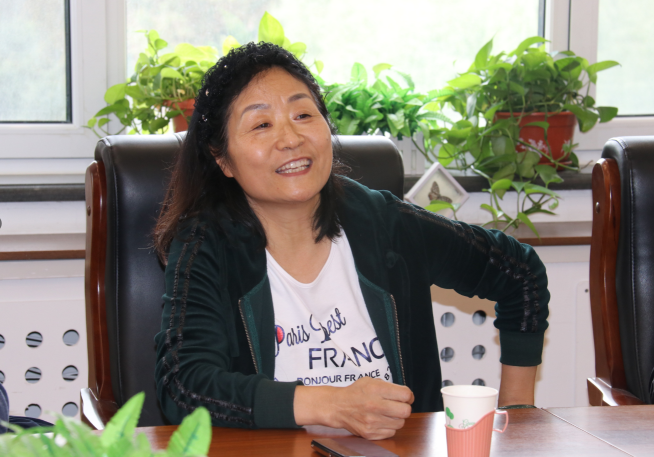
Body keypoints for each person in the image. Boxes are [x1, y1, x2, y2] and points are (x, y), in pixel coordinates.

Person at [153, 42, 550, 440]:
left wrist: (516, 415)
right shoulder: (206, 245)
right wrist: (331, 404)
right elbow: (183, 387)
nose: (290, 138)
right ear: (222, 159)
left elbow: (520, 274)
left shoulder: (385, 225)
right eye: (261, 125)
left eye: (303, 115)